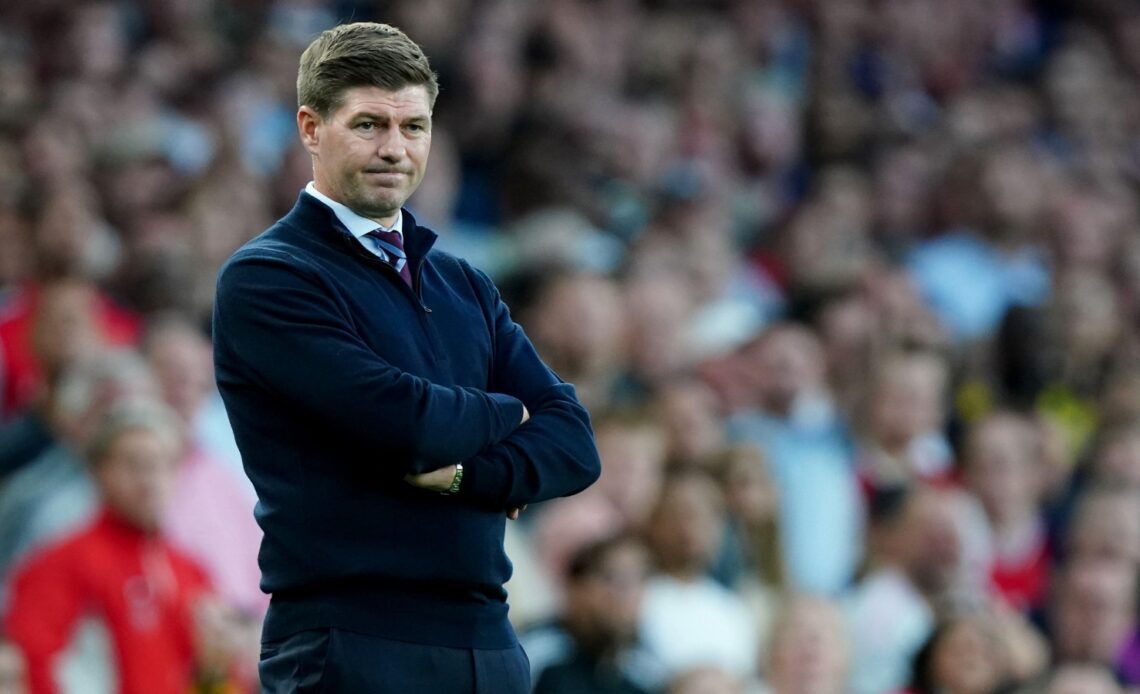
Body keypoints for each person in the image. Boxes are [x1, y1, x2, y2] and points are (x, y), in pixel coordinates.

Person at [211, 21, 601, 692]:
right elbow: (410, 424)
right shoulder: (268, 279)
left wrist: (462, 477)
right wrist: (513, 412)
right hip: (352, 642)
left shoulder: (464, 284)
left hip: (489, 643)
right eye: (369, 125)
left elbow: (575, 445)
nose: (395, 148)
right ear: (310, 128)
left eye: (413, 127)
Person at [3, 400, 228, 694]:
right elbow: (32, 666)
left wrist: (216, 669)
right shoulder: (60, 563)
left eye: (163, 464)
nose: (150, 479)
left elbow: (211, 680)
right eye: (134, 463)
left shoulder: (191, 570)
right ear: (98, 471)